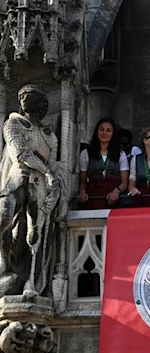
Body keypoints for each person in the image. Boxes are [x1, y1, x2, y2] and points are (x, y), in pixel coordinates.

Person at [0, 85, 67, 296]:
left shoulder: (50, 135)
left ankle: (31, 281)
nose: (25, 100)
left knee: (34, 234)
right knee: (4, 217)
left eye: (31, 97)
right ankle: (2, 262)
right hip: (16, 182)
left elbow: (54, 160)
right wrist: (46, 169)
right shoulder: (12, 124)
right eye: (22, 97)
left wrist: (55, 179)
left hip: (39, 188)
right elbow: (20, 153)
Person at [78, 118, 129, 209]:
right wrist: (82, 192)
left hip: (113, 196)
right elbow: (83, 181)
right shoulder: (86, 153)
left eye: (108, 130)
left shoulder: (120, 154)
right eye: (101, 129)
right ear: (96, 131)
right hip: (94, 194)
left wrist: (116, 192)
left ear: (113, 134)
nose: (104, 133)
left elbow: (124, 182)